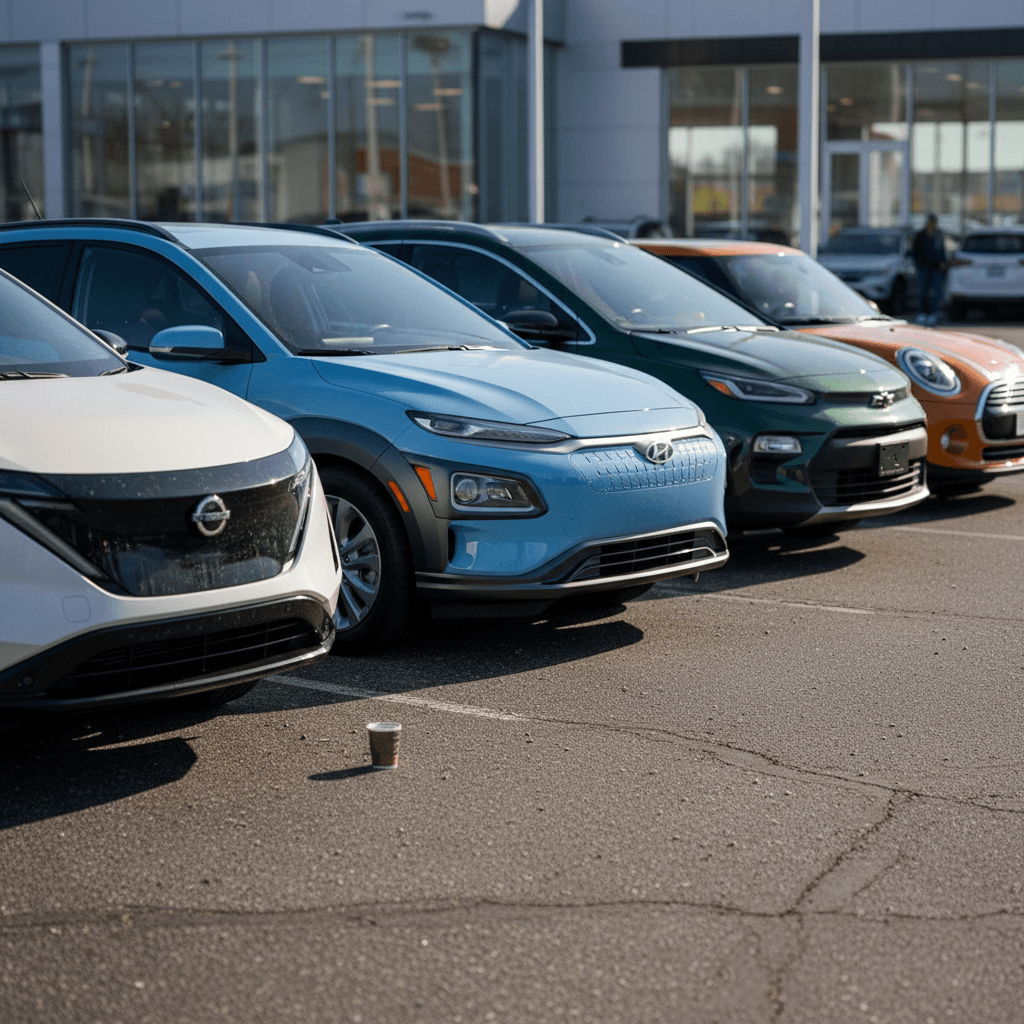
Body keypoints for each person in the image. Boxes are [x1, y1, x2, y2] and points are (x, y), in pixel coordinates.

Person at [913, 214, 947, 325]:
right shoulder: (920, 235)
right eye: (931, 222)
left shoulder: (938, 235)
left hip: (936, 268)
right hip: (924, 268)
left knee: (936, 293)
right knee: (923, 291)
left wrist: (943, 262)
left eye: (935, 222)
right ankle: (922, 313)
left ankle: (933, 314)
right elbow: (915, 252)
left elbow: (942, 250)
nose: (933, 224)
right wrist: (918, 264)